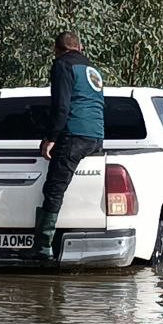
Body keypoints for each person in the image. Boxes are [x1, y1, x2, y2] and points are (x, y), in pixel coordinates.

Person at [34, 31, 105, 261]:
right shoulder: (92, 70)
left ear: (57, 50)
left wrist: (51, 137)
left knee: (54, 189)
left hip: (73, 134)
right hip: (95, 136)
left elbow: (61, 106)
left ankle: (43, 248)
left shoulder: (62, 65)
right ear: (80, 47)